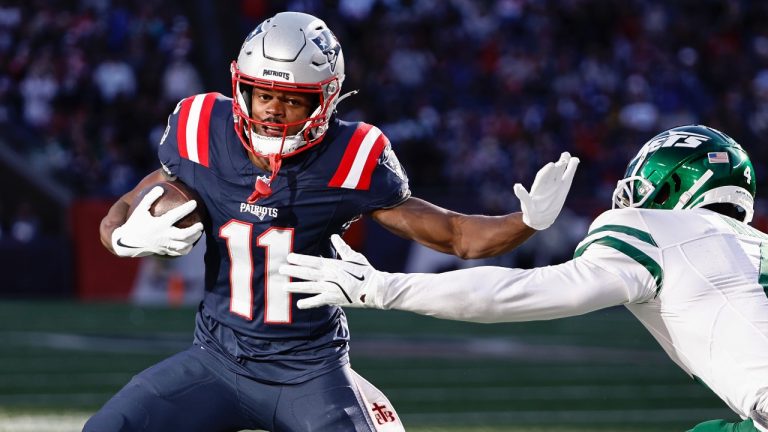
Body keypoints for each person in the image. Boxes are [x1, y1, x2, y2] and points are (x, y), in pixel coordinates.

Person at [87, 11, 579, 432]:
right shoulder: (201, 127)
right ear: (242, 89)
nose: (275, 112)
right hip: (215, 359)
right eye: (265, 96)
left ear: (325, 101)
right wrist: (121, 237)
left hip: (309, 370)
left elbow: (456, 236)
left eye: (293, 100)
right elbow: (125, 207)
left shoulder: (351, 155)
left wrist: (527, 221)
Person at [280, 124, 768, 432]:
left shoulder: (654, 228)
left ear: (668, 184)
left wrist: (381, 287)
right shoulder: (754, 246)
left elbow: (522, 292)